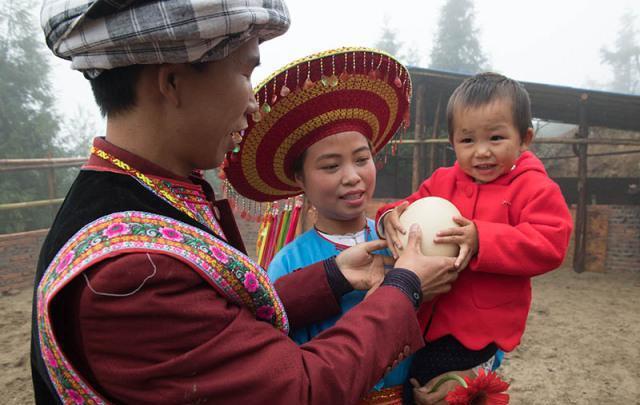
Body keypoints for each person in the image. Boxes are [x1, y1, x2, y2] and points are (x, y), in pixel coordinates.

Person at [31, 1, 460, 404]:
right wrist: (403, 286)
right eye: (245, 73)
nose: (253, 102)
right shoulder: (130, 274)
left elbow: (219, 322)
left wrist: (334, 275)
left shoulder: (149, 195)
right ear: (173, 82)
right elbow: (299, 390)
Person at [223, 48, 413, 403]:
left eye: (362, 159)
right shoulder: (288, 264)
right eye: (330, 167)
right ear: (300, 179)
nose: (352, 177)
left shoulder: (398, 237)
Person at [377, 72, 574, 403]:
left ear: (524, 139)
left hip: (481, 328)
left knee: (440, 389)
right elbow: (409, 206)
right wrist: (388, 216)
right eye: (468, 141)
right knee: (415, 385)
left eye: (495, 138)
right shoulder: (443, 181)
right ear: (452, 143)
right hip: (427, 316)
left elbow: (551, 241)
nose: (481, 152)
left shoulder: (534, 188)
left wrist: (483, 238)